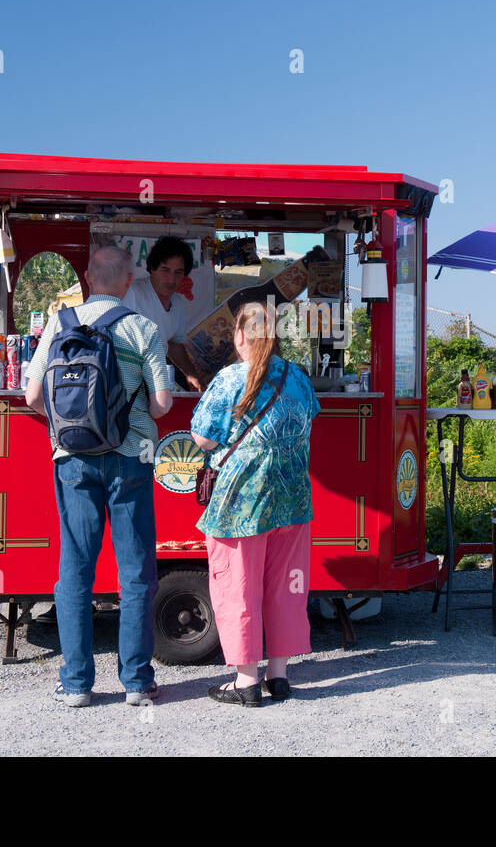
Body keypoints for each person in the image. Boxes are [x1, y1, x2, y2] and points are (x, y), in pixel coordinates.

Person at [24, 245, 174, 708]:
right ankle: (135, 682)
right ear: (129, 281)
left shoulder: (59, 323)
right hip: (131, 458)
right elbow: (162, 405)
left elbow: (31, 396)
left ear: (87, 276)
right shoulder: (144, 327)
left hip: (71, 459)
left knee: (74, 571)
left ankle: (76, 685)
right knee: (134, 573)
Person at [190, 301, 321, 706]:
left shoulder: (229, 379)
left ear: (240, 336)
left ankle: (246, 681)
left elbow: (203, 439)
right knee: (285, 588)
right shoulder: (298, 378)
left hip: (240, 506)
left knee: (238, 587)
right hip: (292, 499)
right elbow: (307, 423)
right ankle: (279, 677)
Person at [123, 236, 207, 391]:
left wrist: (190, 373)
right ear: (152, 268)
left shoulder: (178, 304)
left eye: (178, 272)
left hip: (157, 383)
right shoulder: (132, 294)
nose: (171, 279)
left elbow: (174, 344)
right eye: (165, 270)